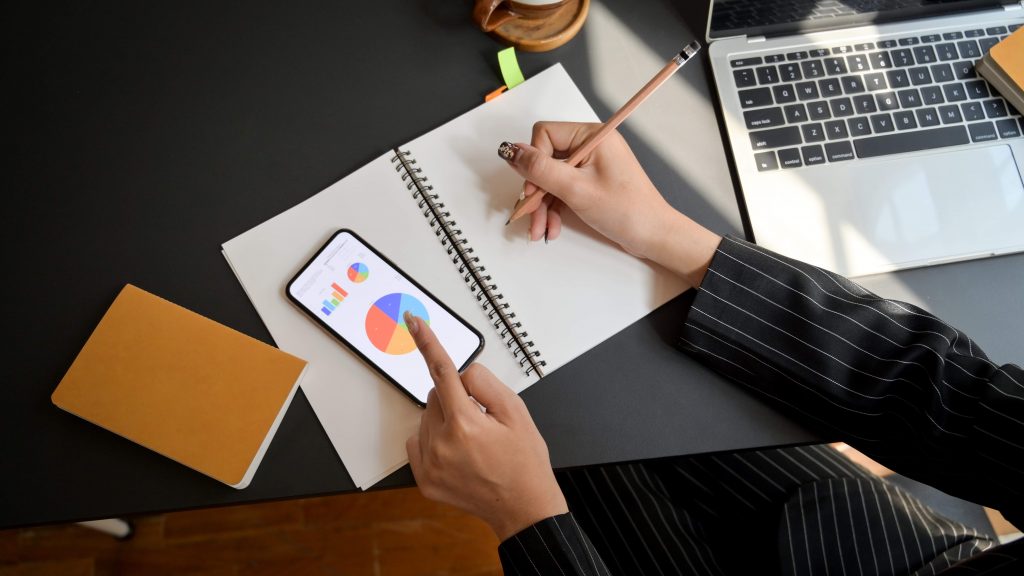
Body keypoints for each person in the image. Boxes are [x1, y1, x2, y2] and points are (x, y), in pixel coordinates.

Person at [400, 122, 1024, 575]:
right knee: (602, 422)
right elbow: (951, 402)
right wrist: (670, 236)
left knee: (552, 440)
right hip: (866, 537)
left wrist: (527, 522)